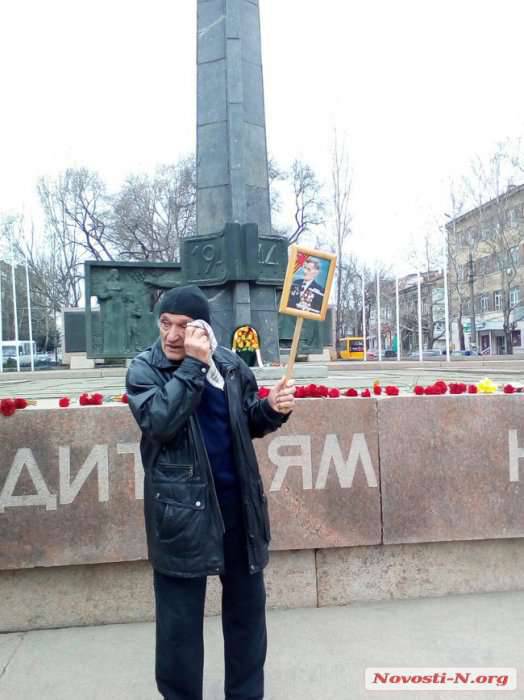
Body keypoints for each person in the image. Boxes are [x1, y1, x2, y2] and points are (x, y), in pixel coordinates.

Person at [125, 285, 295, 700]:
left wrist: (271, 408)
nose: (172, 335)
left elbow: (245, 421)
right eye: (166, 324)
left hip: (238, 509)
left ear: (203, 327)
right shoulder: (144, 369)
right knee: (178, 627)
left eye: (184, 326)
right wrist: (194, 368)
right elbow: (160, 421)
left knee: (247, 619)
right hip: (180, 514)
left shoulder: (231, 365)